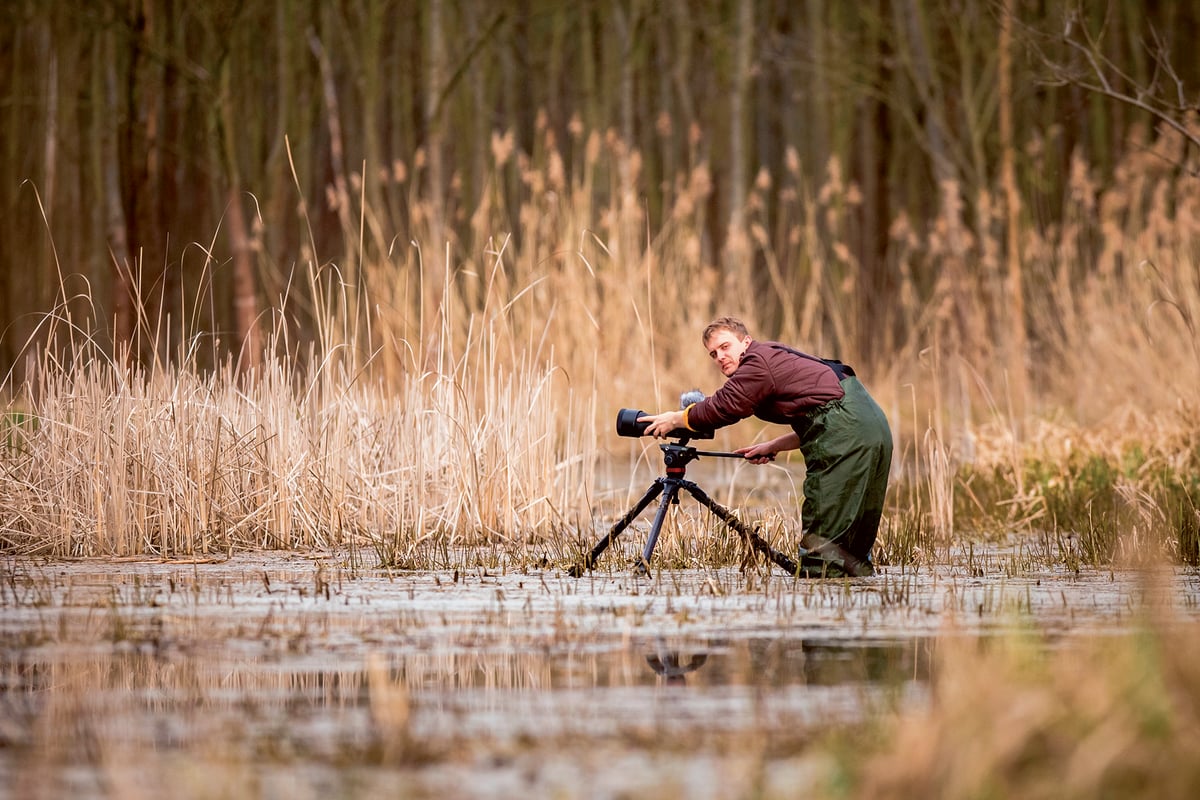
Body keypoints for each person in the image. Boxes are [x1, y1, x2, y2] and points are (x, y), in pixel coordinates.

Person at [639, 316, 892, 577]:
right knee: (852, 546)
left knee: (823, 542)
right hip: (871, 427)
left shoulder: (756, 362)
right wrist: (775, 445)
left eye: (725, 347)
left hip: (849, 432)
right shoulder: (772, 357)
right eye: (713, 354)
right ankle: (858, 603)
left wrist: (676, 419)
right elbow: (825, 419)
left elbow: (725, 405)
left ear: (745, 341)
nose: (720, 357)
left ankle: (822, 606)